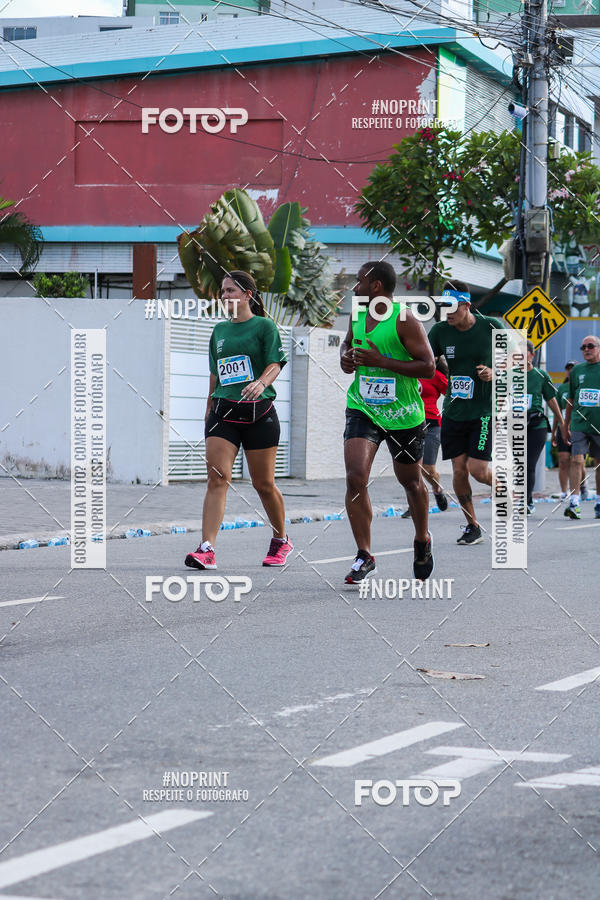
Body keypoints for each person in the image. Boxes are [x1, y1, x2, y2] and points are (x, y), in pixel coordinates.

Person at [185, 270, 293, 568]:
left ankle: (281, 539)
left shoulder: (264, 326)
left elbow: (275, 363)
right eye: (222, 292)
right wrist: (209, 407)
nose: (225, 296)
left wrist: (260, 383)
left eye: (231, 291)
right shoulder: (219, 331)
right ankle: (206, 549)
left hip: (260, 414)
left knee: (263, 484)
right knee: (217, 478)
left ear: (248, 294)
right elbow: (215, 372)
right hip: (224, 412)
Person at [340, 261, 436, 583]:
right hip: (363, 406)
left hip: (403, 413)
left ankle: (422, 538)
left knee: (410, 482)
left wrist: (383, 362)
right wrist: (345, 357)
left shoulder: (405, 319)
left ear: (376, 285)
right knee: (355, 477)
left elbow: (428, 366)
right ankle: (364, 554)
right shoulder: (357, 315)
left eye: (359, 281)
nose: (355, 288)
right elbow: (347, 345)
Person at [428, 280, 504, 545]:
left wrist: (495, 373)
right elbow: (425, 361)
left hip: (482, 410)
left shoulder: (491, 326)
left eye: (452, 307)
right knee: (459, 472)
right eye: (443, 307)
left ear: (466, 305)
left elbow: (516, 361)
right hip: (453, 411)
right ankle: (473, 525)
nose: (447, 312)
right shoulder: (439, 332)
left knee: (478, 470)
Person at [401, 357, 449, 517]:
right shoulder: (409, 371)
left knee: (427, 468)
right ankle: (413, 504)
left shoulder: (436, 376)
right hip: (410, 424)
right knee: (410, 469)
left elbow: (452, 395)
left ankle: (437, 489)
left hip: (432, 424)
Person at [563, 334, 600, 520]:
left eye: (590, 346)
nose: (586, 349)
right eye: (583, 347)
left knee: (598, 464)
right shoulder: (577, 371)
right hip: (579, 423)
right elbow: (570, 399)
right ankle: (574, 502)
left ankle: (599, 503)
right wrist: (565, 424)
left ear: (598, 348)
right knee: (576, 460)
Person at [525, 340, 564, 515]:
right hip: (514, 424)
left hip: (536, 424)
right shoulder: (508, 375)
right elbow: (501, 400)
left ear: (532, 355)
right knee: (518, 464)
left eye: (523, 352)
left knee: (529, 463)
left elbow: (551, 400)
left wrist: (562, 423)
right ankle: (521, 498)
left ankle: (527, 501)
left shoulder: (541, 375)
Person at [551, 361, 577, 500]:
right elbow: (557, 412)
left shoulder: (581, 386)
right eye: (568, 369)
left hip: (578, 428)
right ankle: (563, 491)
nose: (570, 371)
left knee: (576, 461)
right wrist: (554, 431)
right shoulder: (561, 389)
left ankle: (580, 487)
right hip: (563, 428)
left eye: (573, 369)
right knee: (563, 460)